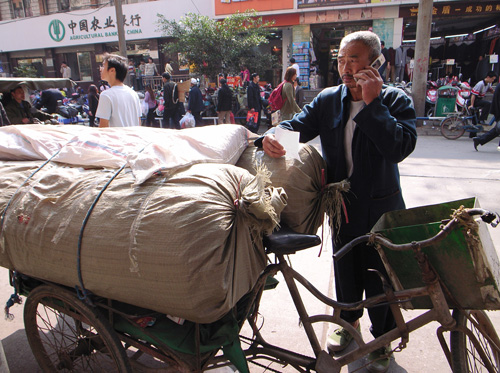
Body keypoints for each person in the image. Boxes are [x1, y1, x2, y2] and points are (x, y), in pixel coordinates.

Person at [258, 31, 417, 373]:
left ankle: (382, 341)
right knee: (345, 270)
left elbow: (399, 148)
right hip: (342, 205)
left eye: (355, 59)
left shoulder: (395, 101)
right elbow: (295, 125)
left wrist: (374, 104)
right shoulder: (330, 99)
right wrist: (269, 138)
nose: (346, 67)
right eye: (342, 60)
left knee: (379, 277)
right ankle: (348, 328)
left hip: (382, 209)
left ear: (375, 62)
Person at [96, 54, 142, 128]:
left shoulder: (106, 95)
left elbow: (103, 128)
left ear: (112, 70)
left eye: (103, 66)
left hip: (115, 139)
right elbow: (138, 121)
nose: (100, 69)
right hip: (134, 138)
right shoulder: (133, 93)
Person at [473, 83, 500, 152]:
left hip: (497, 109)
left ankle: (479, 140)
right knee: (497, 129)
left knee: (497, 130)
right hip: (498, 109)